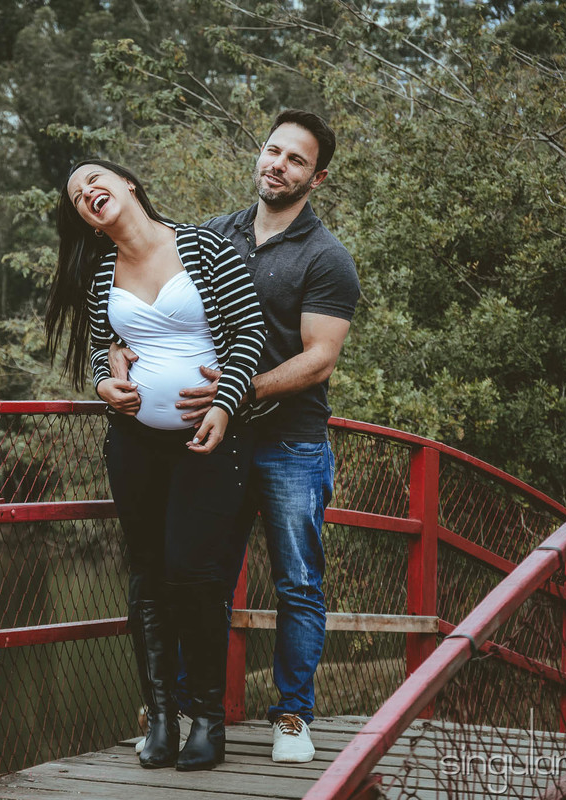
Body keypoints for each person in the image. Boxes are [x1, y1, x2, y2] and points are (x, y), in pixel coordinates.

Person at [111, 110, 360, 764]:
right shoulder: (210, 235)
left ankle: (292, 717)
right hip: (212, 441)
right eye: (274, 150)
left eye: (296, 160)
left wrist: (241, 390)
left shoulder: (327, 258)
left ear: (317, 178)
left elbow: (319, 359)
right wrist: (120, 358)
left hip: (289, 441)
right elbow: (157, 309)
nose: (278, 165)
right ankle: (191, 711)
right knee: (199, 578)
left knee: (297, 580)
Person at [46, 159, 267, 772]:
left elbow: (250, 334)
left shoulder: (204, 245)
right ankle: (162, 719)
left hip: (207, 440)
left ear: (128, 184)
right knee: (146, 576)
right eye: (77, 195)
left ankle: (208, 722)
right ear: (87, 220)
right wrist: (103, 384)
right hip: (135, 444)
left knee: (192, 575)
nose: (88, 192)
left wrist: (224, 404)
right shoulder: (100, 273)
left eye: (95, 180)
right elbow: (102, 350)